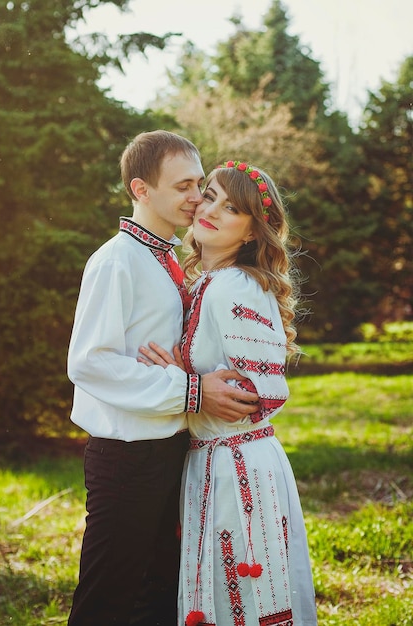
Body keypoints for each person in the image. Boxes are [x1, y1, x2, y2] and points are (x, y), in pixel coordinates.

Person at [67, 136, 259, 626]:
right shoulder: (116, 261)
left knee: (159, 598)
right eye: (184, 186)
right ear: (141, 189)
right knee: (108, 598)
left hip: (171, 450)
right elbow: (90, 361)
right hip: (126, 456)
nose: (197, 195)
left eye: (199, 183)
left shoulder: (170, 258)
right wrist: (194, 392)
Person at [139, 160, 318, 626]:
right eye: (211, 194)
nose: (212, 209)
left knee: (244, 600)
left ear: (252, 233)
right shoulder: (209, 282)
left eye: (232, 207)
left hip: (237, 468)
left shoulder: (234, 286)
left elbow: (256, 397)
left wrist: (184, 377)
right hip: (215, 458)